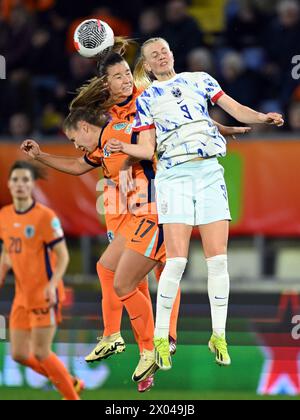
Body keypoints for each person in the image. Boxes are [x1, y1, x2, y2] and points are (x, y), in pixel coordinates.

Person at [21, 50, 249, 388]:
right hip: (126, 207)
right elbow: (83, 162)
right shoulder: (106, 122)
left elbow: (188, 119)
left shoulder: (146, 102)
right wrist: (41, 156)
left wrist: (224, 129)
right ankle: (125, 338)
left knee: (155, 270)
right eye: (119, 75)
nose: (127, 79)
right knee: (115, 271)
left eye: (129, 73)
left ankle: (161, 343)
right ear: (107, 83)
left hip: (160, 202)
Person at [106, 37, 284, 371]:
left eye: (164, 50)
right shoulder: (147, 99)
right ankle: (161, 337)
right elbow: (147, 148)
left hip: (209, 172)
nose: (160, 55)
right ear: (147, 64)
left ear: (172, 54)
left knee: (219, 261)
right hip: (174, 176)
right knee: (176, 262)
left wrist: (262, 117)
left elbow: (233, 107)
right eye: (153, 54)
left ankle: (218, 335)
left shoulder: (200, 79)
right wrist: (123, 151)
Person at [0, 161, 83, 400]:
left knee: (41, 351)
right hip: (21, 294)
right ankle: (70, 381)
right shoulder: (4, 216)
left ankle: (72, 396)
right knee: (18, 354)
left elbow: (63, 256)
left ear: (32, 185)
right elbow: (8, 249)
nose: (19, 185)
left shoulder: (45, 217)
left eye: (25, 180)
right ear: (9, 184)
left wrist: (51, 284)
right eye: (15, 180)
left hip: (44, 292)